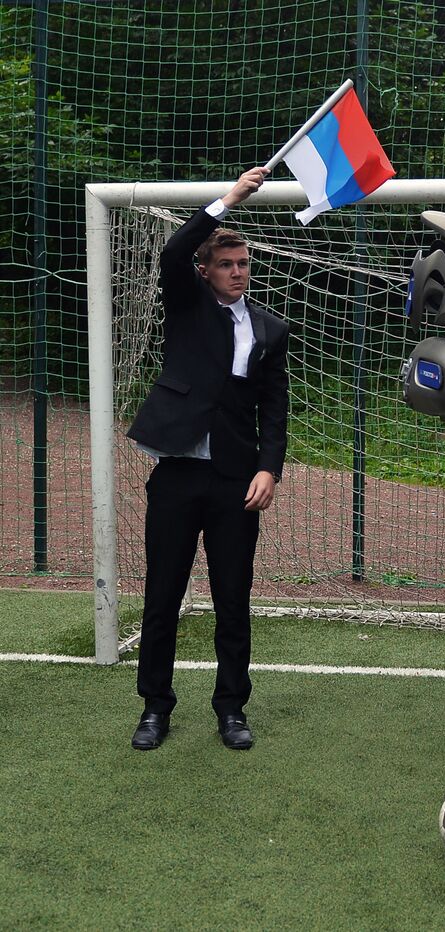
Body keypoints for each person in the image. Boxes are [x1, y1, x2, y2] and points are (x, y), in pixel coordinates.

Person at [125, 166, 290, 752]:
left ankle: (231, 710)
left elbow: (274, 408)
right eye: (227, 264)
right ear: (206, 271)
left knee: (232, 598)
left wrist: (269, 467)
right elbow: (174, 248)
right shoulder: (187, 304)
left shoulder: (271, 328)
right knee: (162, 594)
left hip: (234, 482)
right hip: (177, 476)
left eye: (244, 264)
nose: (239, 273)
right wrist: (230, 198)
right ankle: (155, 707)